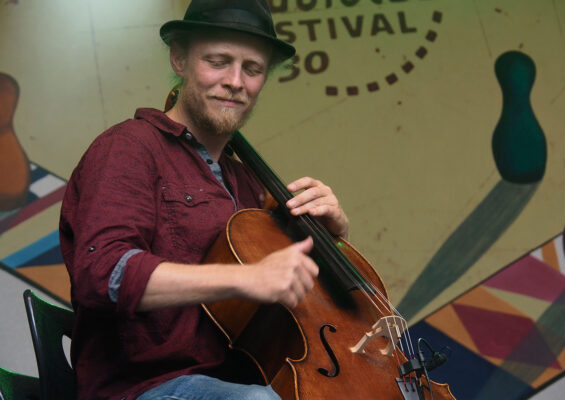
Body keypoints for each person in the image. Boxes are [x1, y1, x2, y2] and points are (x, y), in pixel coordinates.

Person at [59, 1, 349, 399]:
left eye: (252, 69)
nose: (235, 81)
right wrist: (247, 277)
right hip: (144, 388)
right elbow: (102, 272)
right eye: (218, 61)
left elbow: (291, 293)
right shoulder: (129, 147)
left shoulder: (248, 184)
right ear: (179, 58)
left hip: (235, 381)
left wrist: (327, 239)